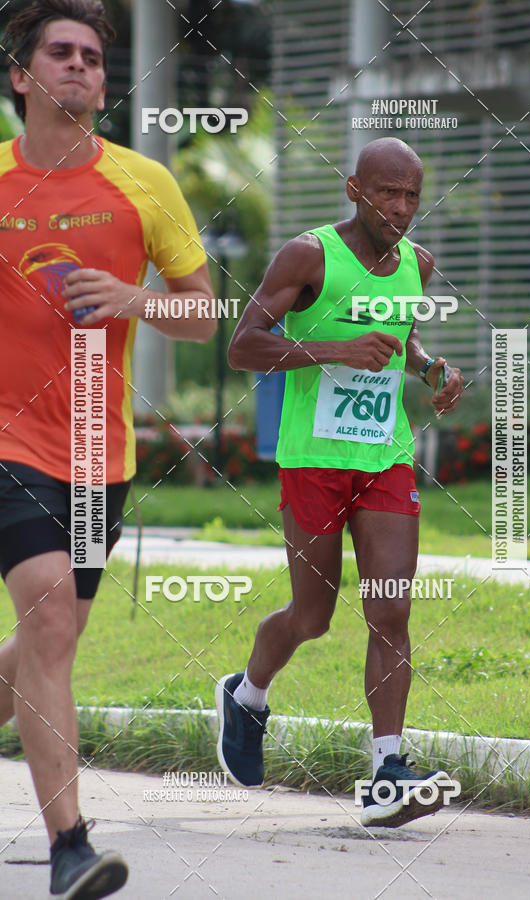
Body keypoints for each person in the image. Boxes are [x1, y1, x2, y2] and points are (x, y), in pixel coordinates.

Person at [0, 1, 216, 896]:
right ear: (22, 75)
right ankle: (70, 849)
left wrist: (137, 301)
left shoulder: (144, 182)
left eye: (92, 56)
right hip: (7, 437)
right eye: (62, 53)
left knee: (55, 636)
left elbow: (202, 315)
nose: (82, 67)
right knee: (50, 611)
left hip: (98, 452)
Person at [216, 137, 464, 828]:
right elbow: (243, 345)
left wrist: (430, 370)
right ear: (355, 189)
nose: (401, 208)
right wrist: (330, 350)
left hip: (383, 455)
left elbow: (400, 338)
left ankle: (388, 769)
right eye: (388, 192)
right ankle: (246, 695)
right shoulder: (309, 255)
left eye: (412, 195)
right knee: (312, 616)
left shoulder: (417, 264)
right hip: (314, 459)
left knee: (390, 609)